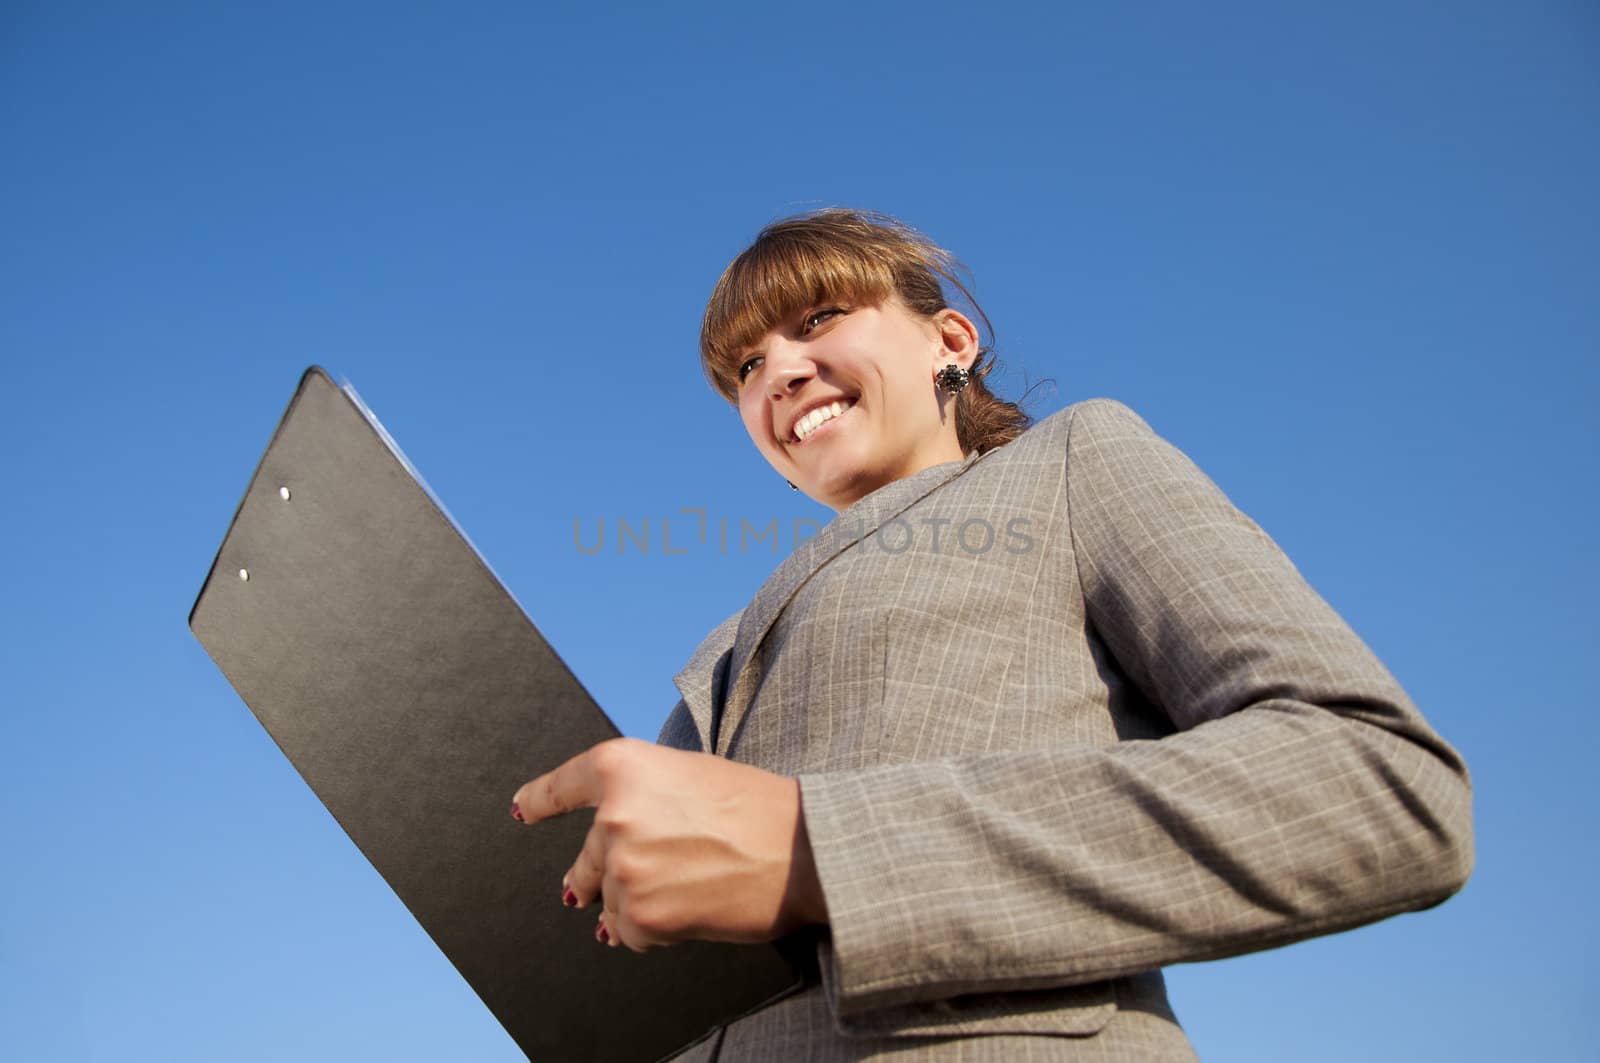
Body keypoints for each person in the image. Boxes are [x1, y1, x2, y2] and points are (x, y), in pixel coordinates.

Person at [511, 209, 1473, 1060]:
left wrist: (826, 851)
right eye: (747, 369)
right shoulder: (723, 650)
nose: (782, 373)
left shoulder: (1070, 461)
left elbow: (1380, 782)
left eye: (817, 320)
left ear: (950, 342)